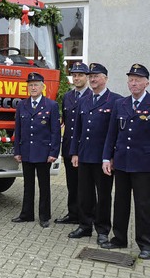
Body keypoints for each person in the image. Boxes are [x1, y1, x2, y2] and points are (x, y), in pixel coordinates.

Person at [67, 63, 121, 245]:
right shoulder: (84, 100)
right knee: (84, 193)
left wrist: (111, 156)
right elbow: (77, 131)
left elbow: (115, 133)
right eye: (90, 76)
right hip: (84, 155)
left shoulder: (115, 101)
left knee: (104, 195)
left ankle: (103, 229)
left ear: (105, 78)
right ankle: (85, 225)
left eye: (96, 76)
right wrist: (74, 152)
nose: (92, 79)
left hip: (103, 158)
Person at [101, 63, 150, 260]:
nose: (133, 83)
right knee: (120, 202)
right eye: (131, 80)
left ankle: (145, 243)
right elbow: (111, 134)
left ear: (146, 82)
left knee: (143, 205)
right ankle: (119, 238)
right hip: (121, 162)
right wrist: (106, 157)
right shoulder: (120, 104)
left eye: (137, 80)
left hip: (143, 164)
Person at [11, 72, 61, 228]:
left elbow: (55, 132)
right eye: (30, 85)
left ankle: (44, 216)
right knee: (28, 185)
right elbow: (18, 130)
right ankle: (26, 214)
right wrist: (17, 151)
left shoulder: (51, 105)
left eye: (36, 85)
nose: (33, 88)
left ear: (42, 87)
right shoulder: (22, 105)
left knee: (44, 186)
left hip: (43, 153)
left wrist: (53, 153)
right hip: (26, 151)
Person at [56, 62, 92, 225]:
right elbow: (66, 123)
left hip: (85, 149)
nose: (77, 78)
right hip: (69, 147)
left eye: (80, 75)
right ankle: (73, 214)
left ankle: (87, 217)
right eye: (74, 75)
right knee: (71, 183)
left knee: (85, 186)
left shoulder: (92, 97)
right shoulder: (67, 97)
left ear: (87, 77)